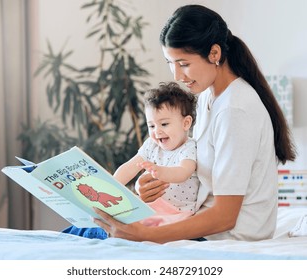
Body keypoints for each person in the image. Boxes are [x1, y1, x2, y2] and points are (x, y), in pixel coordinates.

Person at [92, 4, 296, 243]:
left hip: (226, 237)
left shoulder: (235, 110)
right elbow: (195, 175)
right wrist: (152, 189)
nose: (177, 76)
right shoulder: (208, 97)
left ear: (215, 54)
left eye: (184, 64)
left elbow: (225, 217)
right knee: (96, 229)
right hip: (200, 226)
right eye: (170, 63)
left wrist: (149, 235)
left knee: (97, 234)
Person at [114, 81, 200, 226]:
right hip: (153, 208)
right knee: (120, 220)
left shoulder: (189, 147)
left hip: (178, 213)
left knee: (138, 226)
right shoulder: (152, 144)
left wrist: (160, 172)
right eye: (151, 125)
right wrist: (112, 184)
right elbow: (130, 167)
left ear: (186, 123)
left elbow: (183, 172)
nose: (157, 131)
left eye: (164, 124)